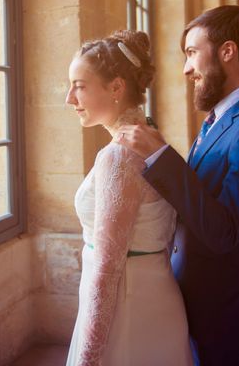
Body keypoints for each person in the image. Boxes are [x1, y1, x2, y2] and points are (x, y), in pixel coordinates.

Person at [117, 5, 239, 366]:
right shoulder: (220, 119)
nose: (186, 69)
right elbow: (200, 199)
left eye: (192, 53)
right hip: (198, 303)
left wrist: (163, 157)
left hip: (229, 315)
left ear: (227, 51)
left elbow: (225, 230)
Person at [65, 30, 193, 366]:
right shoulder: (150, 136)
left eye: (79, 85)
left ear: (117, 88)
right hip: (149, 292)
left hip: (128, 305)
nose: (69, 98)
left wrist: (89, 356)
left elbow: (108, 268)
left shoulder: (119, 156)